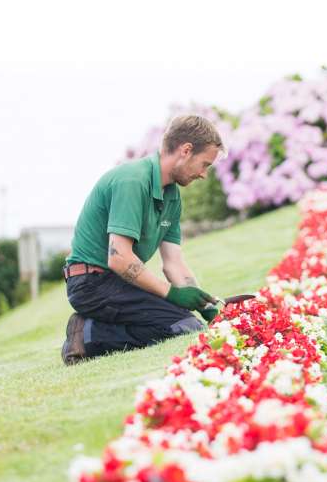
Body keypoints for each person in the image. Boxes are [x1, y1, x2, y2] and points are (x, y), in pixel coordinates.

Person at [60, 114, 224, 365]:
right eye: (204, 164)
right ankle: (88, 334)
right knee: (183, 326)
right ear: (186, 150)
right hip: (91, 283)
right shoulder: (133, 180)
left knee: (189, 323)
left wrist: (206, 305)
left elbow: (174, 263)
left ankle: (93, 328)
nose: (203, 174)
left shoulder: (172, 196)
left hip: (119, 283)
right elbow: (119, 258)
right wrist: (172, 295)